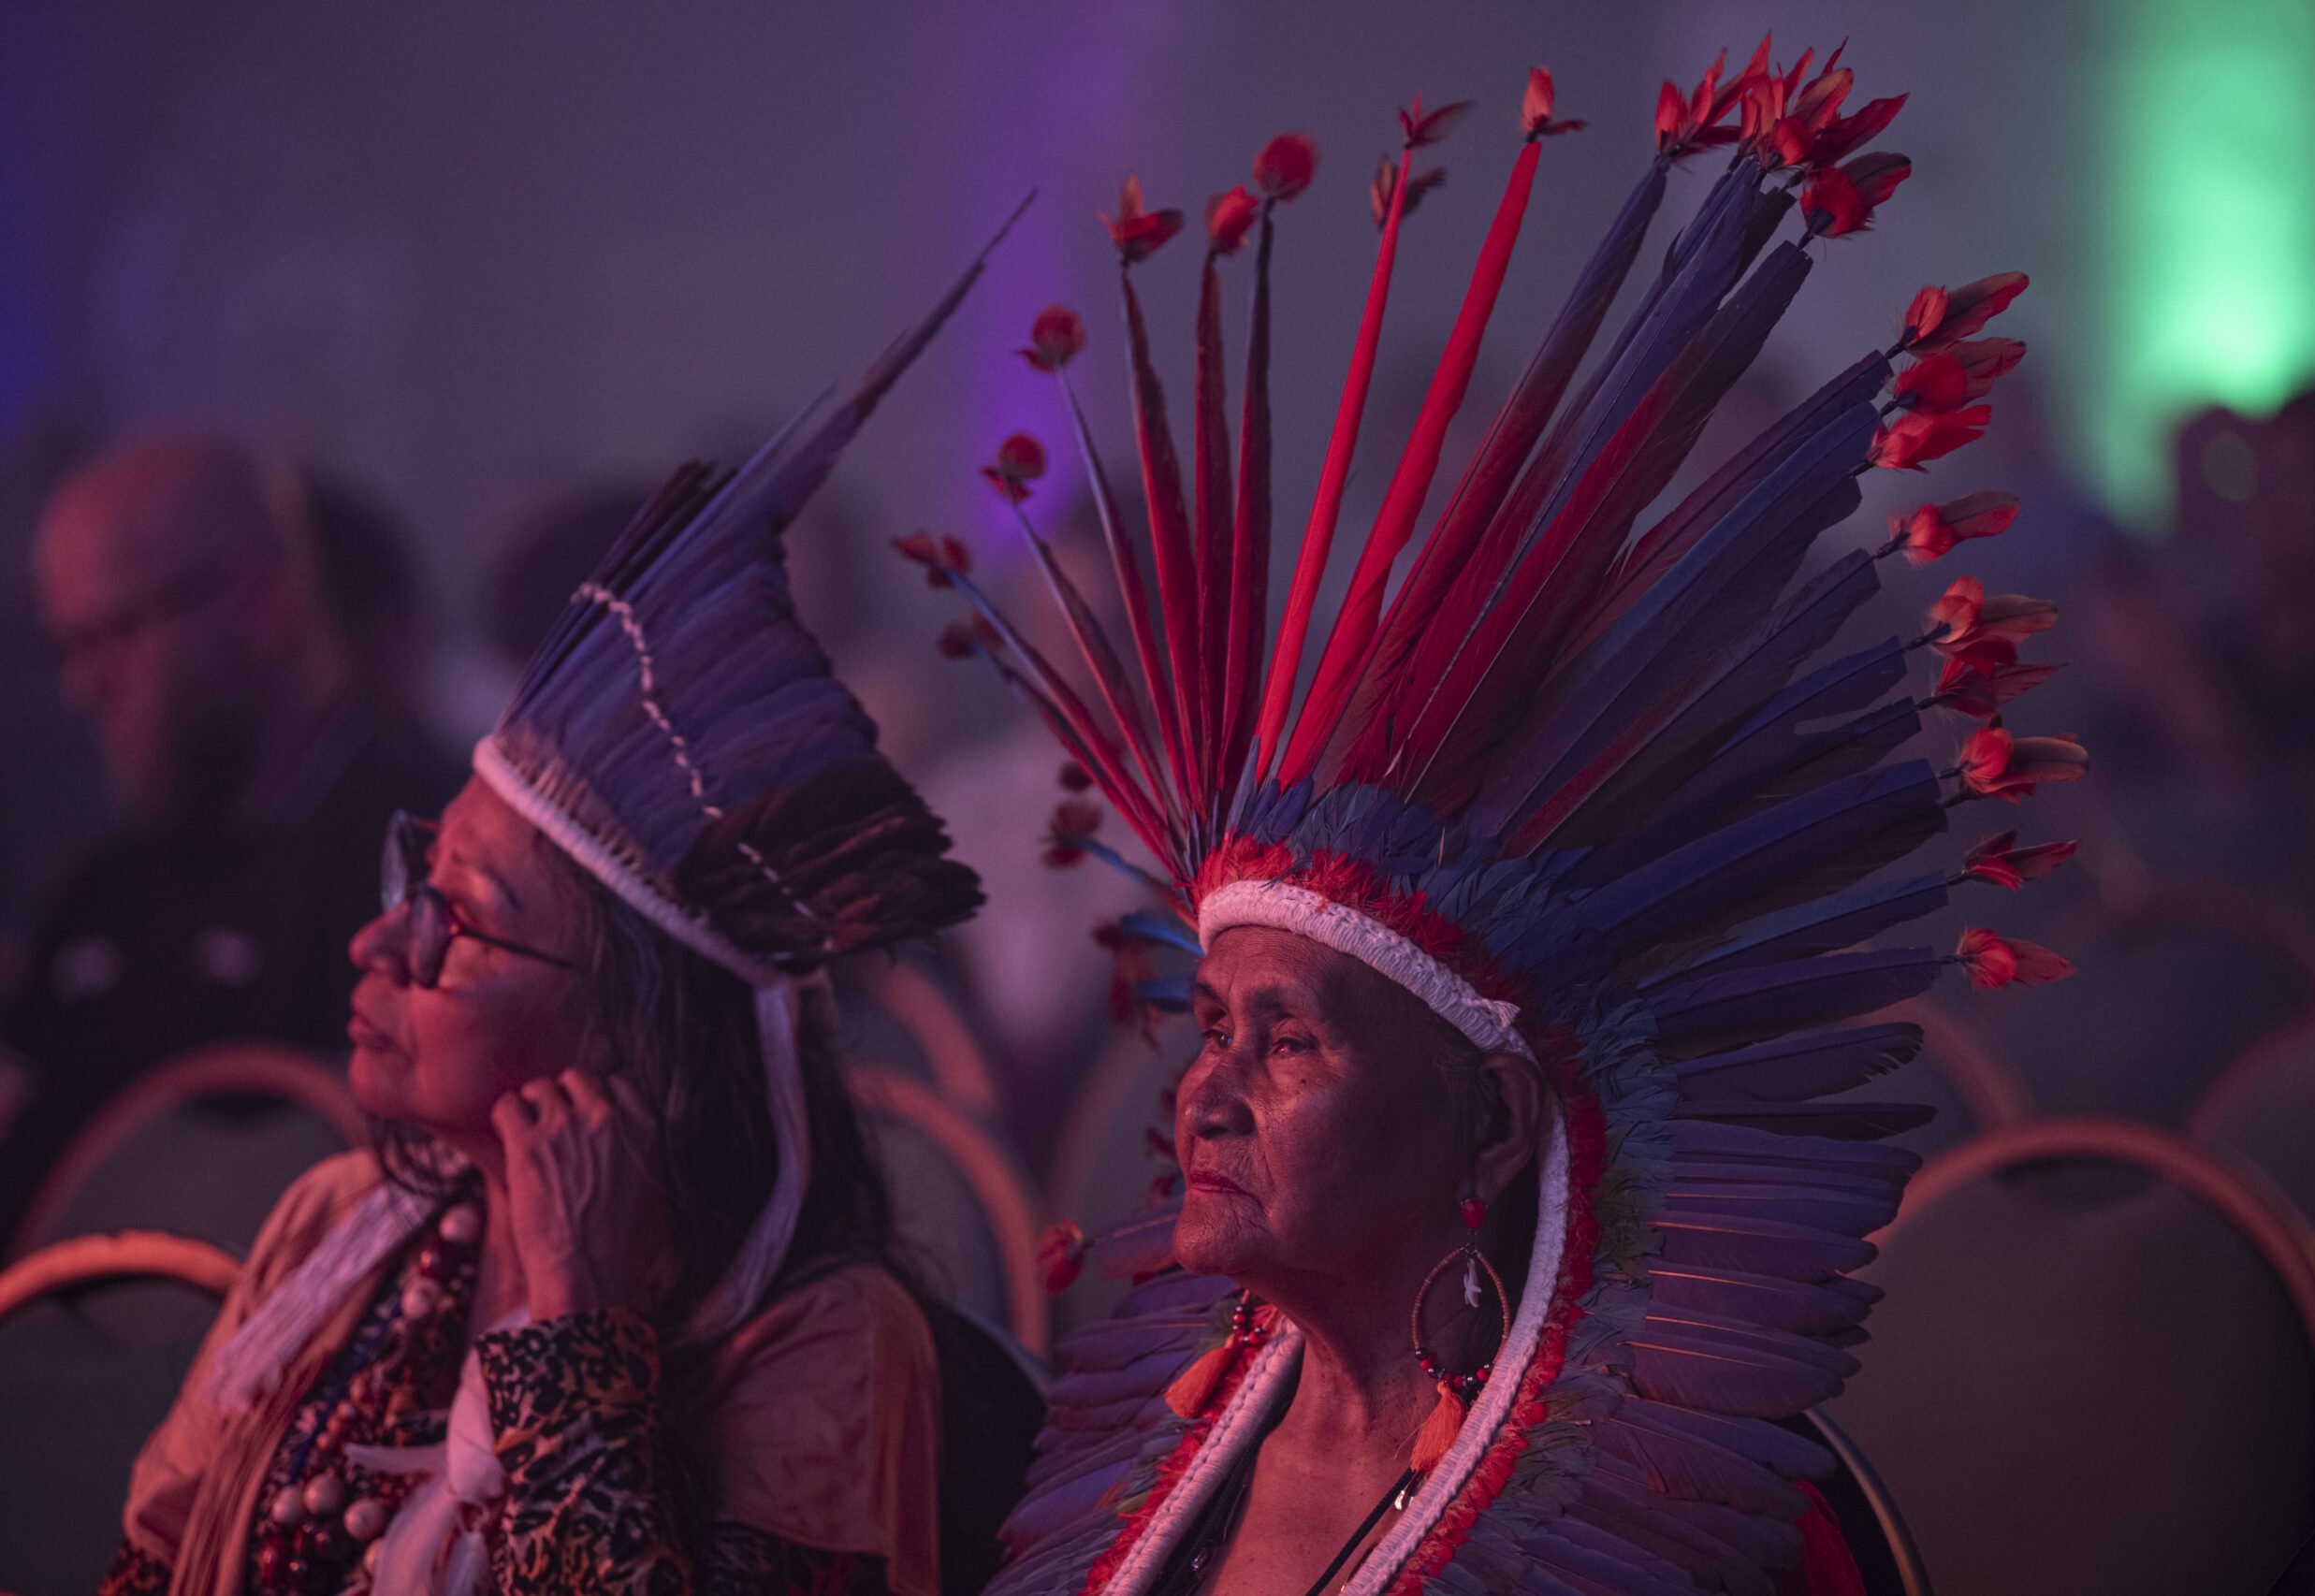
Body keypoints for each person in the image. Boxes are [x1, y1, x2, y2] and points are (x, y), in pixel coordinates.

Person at [950, 49, 2084, 1595]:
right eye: (1210, 1027)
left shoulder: (1665, 1532)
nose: (1201, 1096)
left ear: (1488, 1122)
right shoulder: (1165, 1455)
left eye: (1288, 1042)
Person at [97, 242, 997, 1595]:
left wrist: (574, 1330)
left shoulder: (821, 1344)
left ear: (638, 1032)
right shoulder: (338, 1231)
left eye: (457, 921)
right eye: (414, 878)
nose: (377, 945)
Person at [3, 432, 457, 1241]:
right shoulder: (101, 889)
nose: (83, 686)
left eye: (117, 633)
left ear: (260, 606)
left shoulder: (440, 849)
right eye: (66, 647)